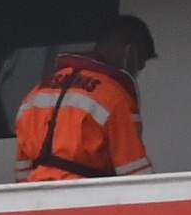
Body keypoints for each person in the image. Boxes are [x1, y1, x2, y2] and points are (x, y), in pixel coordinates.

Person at [14, 16, 157, 182]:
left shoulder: (35, 93)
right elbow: (135, 173)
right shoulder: (114, 96)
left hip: (37, 193)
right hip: (85, 193)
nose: (139, 68)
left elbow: (22, 171)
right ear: (130, 52)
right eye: (141, 60)